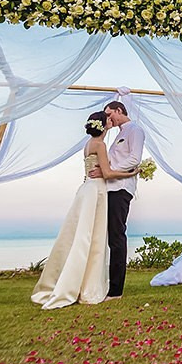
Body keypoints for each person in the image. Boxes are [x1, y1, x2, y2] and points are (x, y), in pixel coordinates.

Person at [31, 111, 137, 309]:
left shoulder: (88, 144)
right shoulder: (100, 145)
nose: (111, 120)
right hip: (96, 191)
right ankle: (85, 285)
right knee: (92, 238)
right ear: (104, 125)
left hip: (86, 189)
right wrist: (131, 173)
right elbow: (107, 173)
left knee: (80, 235)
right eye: (108, 119)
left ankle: (75, 280)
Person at [89, 100, 144, 299]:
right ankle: (102, 283)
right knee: (107, 236)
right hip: (108, 188)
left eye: (109, 114)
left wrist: (108, 171)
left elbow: (134, 159)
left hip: (120, 188)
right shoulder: (117, 136)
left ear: (119, 111)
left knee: (117, 237)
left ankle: (116, 290)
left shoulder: (135, 130)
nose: (108, 118)